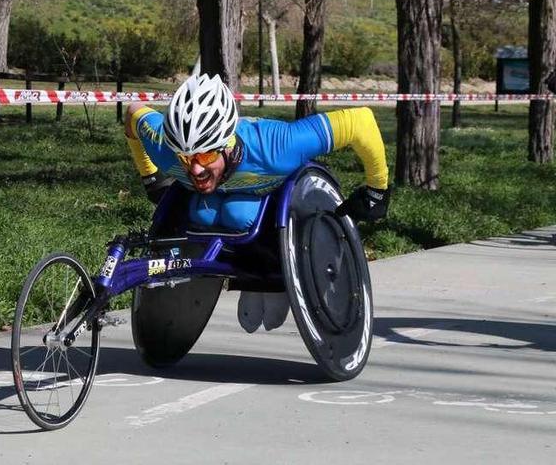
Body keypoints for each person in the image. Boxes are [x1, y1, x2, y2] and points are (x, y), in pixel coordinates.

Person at [123, 73, 390, 333]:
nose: (194, 169)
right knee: (207, 215)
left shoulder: (276, 145)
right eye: (185, 158)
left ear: (226, 144)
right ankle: (245, 270)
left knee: (238, 213)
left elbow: (360, 121)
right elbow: (134, 114)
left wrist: (377, 188)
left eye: (205, 156)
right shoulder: (164, 148)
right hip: (220, 205)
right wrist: (152, 176)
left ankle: (270, 276)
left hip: (275, 202)